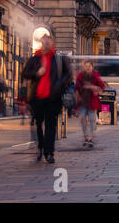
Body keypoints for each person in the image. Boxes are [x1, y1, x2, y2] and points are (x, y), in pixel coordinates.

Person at [22, 34, 72, 164]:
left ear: (52, 42)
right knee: (39, 124)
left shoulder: (59, 59)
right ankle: (40, 147)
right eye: (44, 42)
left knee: (51, 125)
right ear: (41, 43)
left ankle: (49, 152)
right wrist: (36, 73)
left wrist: (59, 85)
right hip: (37, 98)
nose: (46, 43)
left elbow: (68, 75)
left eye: (48, 41)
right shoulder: (35, 58)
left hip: (53, 98)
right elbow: (25, 73)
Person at [75, 61, 105, 148]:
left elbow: (102, 86)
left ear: (92, 67)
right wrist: (77, 97)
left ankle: (91, 138)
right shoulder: (81, 75)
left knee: (92, 120)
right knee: (83, 119)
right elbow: (77, 87)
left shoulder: (95, 75)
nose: (87, 68)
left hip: (92, 101)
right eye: (86, 66)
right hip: (83, 101)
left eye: (89, 66)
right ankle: (86, 137)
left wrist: (93, 87)